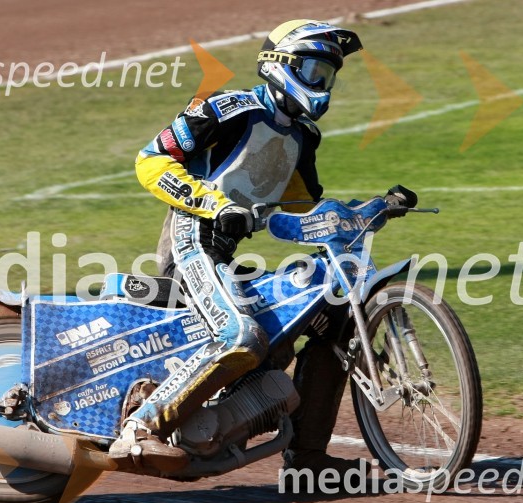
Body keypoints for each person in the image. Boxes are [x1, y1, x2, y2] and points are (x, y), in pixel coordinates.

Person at [109, 19, 365, 476]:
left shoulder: (303, 137)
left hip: (225, 256)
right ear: (280, 65)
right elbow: (150, 161)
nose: (322, 86)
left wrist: (361, 214)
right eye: (313, 71)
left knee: (335, 320)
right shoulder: (226, 108)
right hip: (191, 241)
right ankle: (139, 429)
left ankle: (307, 464)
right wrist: (212, 202)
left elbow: (299, 215)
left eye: (328, 76)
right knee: (241, 336)